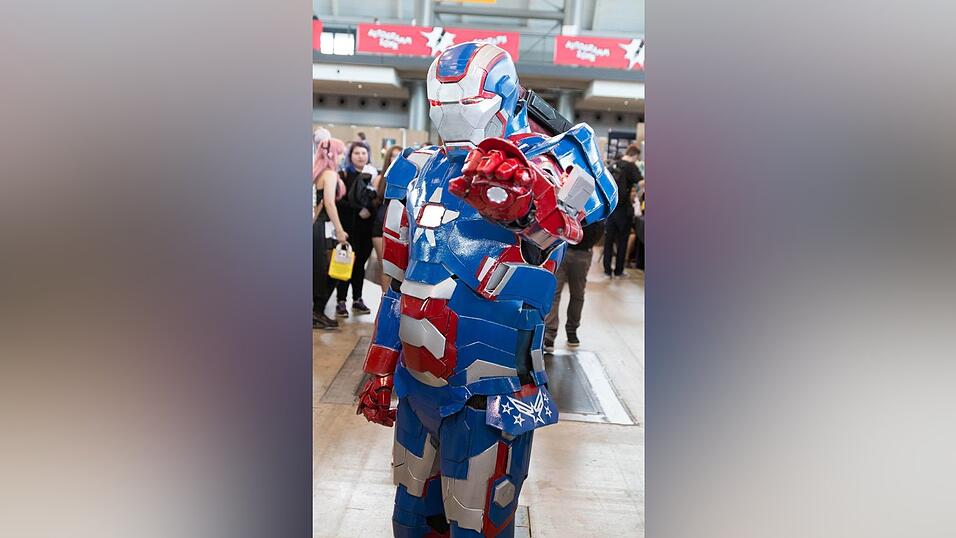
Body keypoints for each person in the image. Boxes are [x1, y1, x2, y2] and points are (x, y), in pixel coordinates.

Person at [355, 42, 618, 537]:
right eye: (442, 107)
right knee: (410, 518)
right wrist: (379, 367)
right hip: (418, 388)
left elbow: (595, 193)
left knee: (477, 524)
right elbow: (396, 286)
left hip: (490, 395)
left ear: (503, 99)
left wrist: (531, 193)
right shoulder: (414, 169)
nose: (454, 119)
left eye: (467, 105)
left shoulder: (540, 165)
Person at [544, 221, 605, 351]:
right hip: (562, 248)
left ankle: (571, 330)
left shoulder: (594, 205)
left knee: (577, 294)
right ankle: (549, 335)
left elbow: (600, 226)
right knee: (554, 292)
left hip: (582, 252)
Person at [334, 140, 378, 317]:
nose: (360, 156)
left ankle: (357, 299)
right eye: (357, 153)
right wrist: (359, 209)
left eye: (363, 153)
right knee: (345, 263)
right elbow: (338, 201)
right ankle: (341, 300)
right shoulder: (343, 175)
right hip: (348, 228)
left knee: (360, 265)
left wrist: (369, 209)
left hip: (366, 229)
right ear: (350, 156)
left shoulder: (373, 175)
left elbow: (378, 199)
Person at [313, 129, 348, 329]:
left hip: (319, 228)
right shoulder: (330, 174)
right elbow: (329, 203)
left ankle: (316, 311)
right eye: (340, 152)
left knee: (322, 270)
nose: (342, 156)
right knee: (332, 270)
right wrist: (340, 230)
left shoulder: (318, 174)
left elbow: (319, 204)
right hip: (325, 228)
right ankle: (317, 311)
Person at [603, 144, 643, 278]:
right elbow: (641, 182)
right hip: (624, 211)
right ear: (635, 155)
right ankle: (618, 271)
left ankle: (607, 271)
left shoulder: (613, 165)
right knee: (622, 241)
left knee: (608, 241)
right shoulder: (631, 167)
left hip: (611, 209)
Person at [371, 145, 403, 293]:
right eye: (393, 155)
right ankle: (385, 301)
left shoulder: (408, 179)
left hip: (399, 225)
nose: (395, 159)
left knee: (397, 268)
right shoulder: (380, 178)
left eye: (399, 155)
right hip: (381, 225)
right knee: (385, 266)